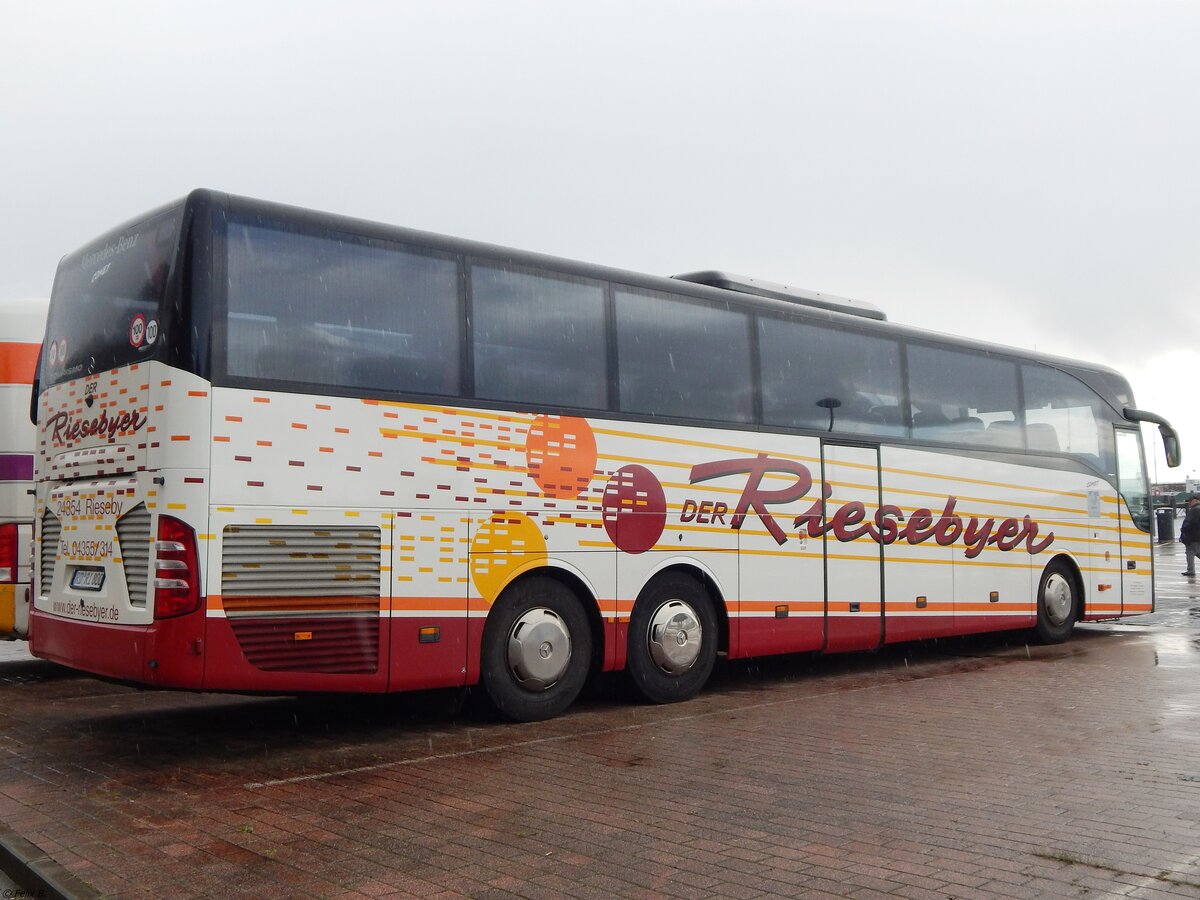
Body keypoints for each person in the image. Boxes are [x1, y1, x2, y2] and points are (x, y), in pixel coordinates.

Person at [1180, 494, 1200, 577]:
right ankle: (1190, 569)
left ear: (1195, 501)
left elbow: (1190, 522)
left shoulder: (1195, 510)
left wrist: (1183, 529)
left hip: (1192, 536)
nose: (1189, 503)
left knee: (1190, 552)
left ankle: (1190, 570)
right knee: (1195, 551)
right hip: (1197, 535)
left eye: (1190, 501)